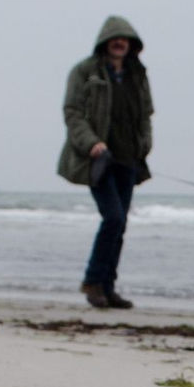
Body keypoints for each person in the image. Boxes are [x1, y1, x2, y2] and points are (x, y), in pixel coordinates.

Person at [58, 16, 153, 309]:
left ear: (131, 44)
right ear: (104, 42)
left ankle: (108, 286)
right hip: (98, 160)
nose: (119, 42)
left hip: (128, 159)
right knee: (113, 218)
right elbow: (73, 113)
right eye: (115, 38)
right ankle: (92, 282)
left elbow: (146, 115)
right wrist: (92, 143)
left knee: (121, 224)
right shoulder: (85, 71)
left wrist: (144, 146)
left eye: (125, 39)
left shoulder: (138, 75)